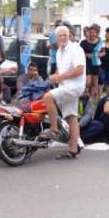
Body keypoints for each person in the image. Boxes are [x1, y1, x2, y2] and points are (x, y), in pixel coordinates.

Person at [42, 25, 86, 159]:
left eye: (65, 35)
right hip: (65, 86)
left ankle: (54, 129)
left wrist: (61, 77)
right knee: (71, 117)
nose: (62, 37)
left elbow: (80, 69)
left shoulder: (76, 49)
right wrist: (55, 76)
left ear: (69, 35)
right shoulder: (59, 51)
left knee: (48, 97)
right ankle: (73, 149)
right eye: (60, 35)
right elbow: (61, 70)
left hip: (74, 87)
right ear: (56, 37)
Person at [79, 25, 102, 99]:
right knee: (88, 82)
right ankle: (85, 93)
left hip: (96, 63)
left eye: (94, 32)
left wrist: (98, 55)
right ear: (88, 33)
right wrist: (86, 55)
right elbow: (79, 53)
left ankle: (91, 99)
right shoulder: (83, 42)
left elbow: (103, 52)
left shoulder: (100, 42)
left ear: (97, 33)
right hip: (86, 63)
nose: (92, 34)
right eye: (90, 32)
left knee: (95, 83)